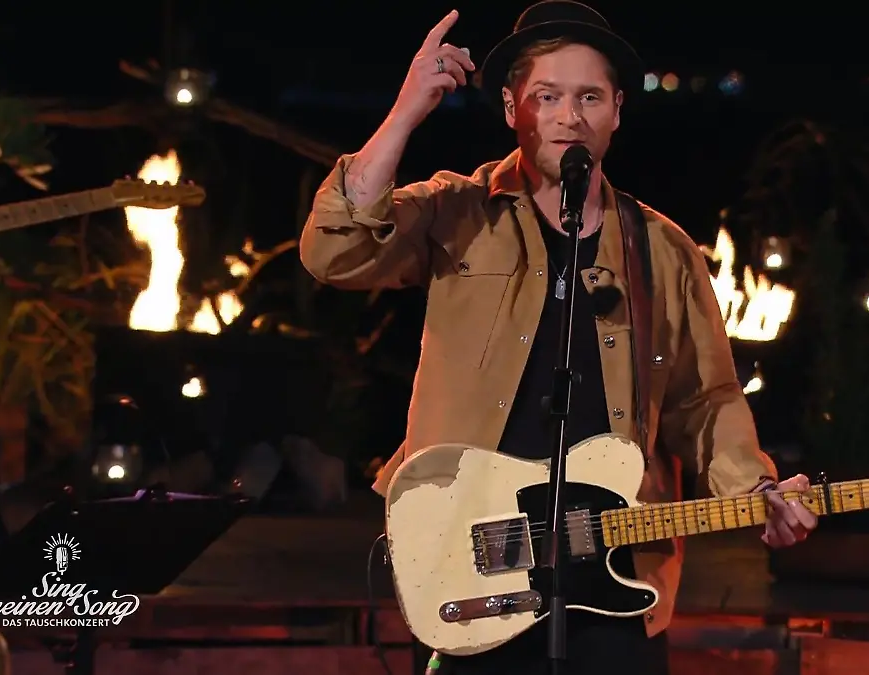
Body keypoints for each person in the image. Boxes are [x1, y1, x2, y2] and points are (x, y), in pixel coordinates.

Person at [300, 2, 818, 673]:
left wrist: (756, 491)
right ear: (512, 107)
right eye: (547, 97)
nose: (569, 117)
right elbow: (335, 251)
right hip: (473, 561)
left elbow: (705, 398)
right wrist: (406, 112)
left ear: (617, 110)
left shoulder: (662, 249)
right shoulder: (458, 210)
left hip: (615, 573)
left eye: (589, 97)